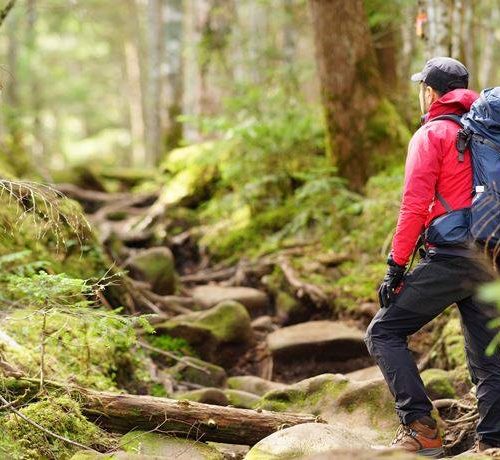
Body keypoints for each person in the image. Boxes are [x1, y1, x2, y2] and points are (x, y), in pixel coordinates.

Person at [364, 57, 500, 458]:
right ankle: (493, 442)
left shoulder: (433, 134)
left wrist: (396, 265)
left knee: (383, 333)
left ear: (430, 92)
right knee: (488, 360)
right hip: (487, 256)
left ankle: (421, 429)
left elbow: (414, 204)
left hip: (450, 258)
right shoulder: (479, 134)